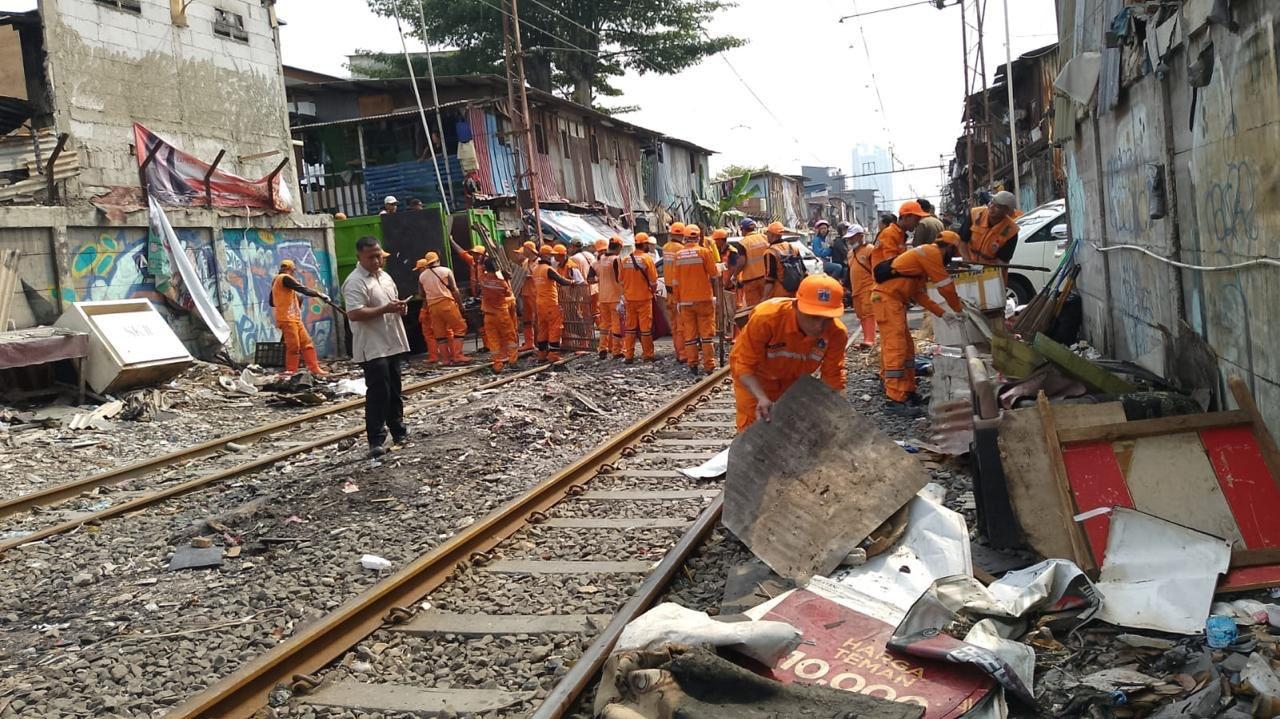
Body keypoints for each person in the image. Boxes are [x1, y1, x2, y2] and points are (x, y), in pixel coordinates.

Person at [729, 275, 848, 432]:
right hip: (757, 377)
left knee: (792, 429)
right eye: (813, 317)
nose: (819, 326)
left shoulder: (836, 334)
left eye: (827, 319)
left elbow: (833, 377)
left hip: (793, 380)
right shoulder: (766, 320)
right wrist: (761, 397)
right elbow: (745, 366)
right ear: (796, 306)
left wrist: (839, 413)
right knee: (753, 429)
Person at [871, 231, 964, 415]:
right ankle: (894, 399)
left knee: (906, 348)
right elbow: (946, 287)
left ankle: (907, 390)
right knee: (896, 348)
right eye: (953, 254)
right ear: (949, 248)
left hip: (892, 301)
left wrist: (943, 313)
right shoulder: (931, 254)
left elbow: (918, 294)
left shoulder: (922, 258)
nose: (951, 259)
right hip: (886, 300)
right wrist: (959, 309)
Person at [342, 237, 410, 457]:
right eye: (371, 256)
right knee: (379, 392)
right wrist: (386, 308)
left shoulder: (385, 277)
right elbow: (354, 313)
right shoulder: (355, 281)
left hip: (392, 341)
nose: (376, 260)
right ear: (359, 257)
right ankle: (376, 439)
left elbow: (391, 303)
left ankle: (399, 430)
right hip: (372, 346)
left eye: (379, 255)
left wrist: (399, 308)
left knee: (395, 390)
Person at [270, 259, 330, 377]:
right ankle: (291, 371)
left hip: (294, 318)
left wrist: (290, 299)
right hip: (287, 318)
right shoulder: (285, 278)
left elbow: (272, 301)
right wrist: (319, 294)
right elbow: (303, 289)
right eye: (293, 270)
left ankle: (315, 368)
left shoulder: (276, 281)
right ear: (291, 269)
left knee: (306, 343)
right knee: (294, 345)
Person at [673, 226, 719, 375]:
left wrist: (678, 300)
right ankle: (709, 365)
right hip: (704, 299)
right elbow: (714, 274)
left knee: (690, 335)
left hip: (685, 301)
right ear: (699, 237)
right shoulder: (704, 252)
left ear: (685, 238)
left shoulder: (678, 255)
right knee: (706, 335)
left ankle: (692, 364)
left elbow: (675, 281)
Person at [419, 252, 472, 366]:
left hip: (432, 306)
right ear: (437, 260)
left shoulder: (422, 276)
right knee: (460, 327)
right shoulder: (446, 271)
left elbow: (421, 294)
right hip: (447, 303)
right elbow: (454, 289)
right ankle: (457, 355)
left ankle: (446, 360)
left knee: (440, 334)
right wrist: (461, 305)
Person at [531, 244, 580, 361]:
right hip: (551, 303)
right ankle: (553, 355)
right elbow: (561, 280)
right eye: (551, 255)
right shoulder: (548, 269)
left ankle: (542, 354)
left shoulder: (535, 269)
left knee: (542, 329)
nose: (552, 258)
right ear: (546, 256)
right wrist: (572, 282)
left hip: (539, 303)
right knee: (554, 328)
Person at [619, 233, 659, 363]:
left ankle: (628, 355)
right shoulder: (647, 259)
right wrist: (653, 292)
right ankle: (647, 354)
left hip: (629, 299)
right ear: (645, 244)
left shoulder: (625, 260)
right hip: (644, 299)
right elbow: (653, 281)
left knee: (630, 328)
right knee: (645, 328)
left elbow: (621, 280)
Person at [477, 257, 519, 373]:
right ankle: (512, 361)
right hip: (502, 314)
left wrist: (481, 262)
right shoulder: (501, 283)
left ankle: (497, 364)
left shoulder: (482, 280)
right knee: (510, 338)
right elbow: (508, 294)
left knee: (493, 340)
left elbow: (479, 269)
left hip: (488, 316)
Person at [959, 190, 1020, 265]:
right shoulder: (975, 214)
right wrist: (968, 263)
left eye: (997, 206)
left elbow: (1002, 261)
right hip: (969, 264)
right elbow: (962, 241)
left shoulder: (1011, 231)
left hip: (991, 270)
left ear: (1006, 211)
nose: (991, 207)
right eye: (991, 202)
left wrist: (987, 273)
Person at [590, 237, 624, 359]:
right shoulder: (616, 259)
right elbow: (619, 279)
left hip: (602, 297)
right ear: (619, 247)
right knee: (617, 325)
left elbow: (589, 279)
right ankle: (617, 350)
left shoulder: (598, 261)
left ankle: (602, 349)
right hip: (615, 297)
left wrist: (600, 280)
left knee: (604, 325)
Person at [845, 224, 876, 349]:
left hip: (868, 287)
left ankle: (870, 340)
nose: (850, 240)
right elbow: (850, 270)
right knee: (861, 314)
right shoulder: (850, 253)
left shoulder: (870, 250)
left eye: (852, 238)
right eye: (849, 238)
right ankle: (866, 338)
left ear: (861, 236)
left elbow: (875, 268)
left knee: (868, 313)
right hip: (856, 289)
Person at [871, 201, 928, 267]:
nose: (918, 223)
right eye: (916, 219)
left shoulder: (900, 234)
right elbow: (892, 263)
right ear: (905, 217)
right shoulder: (890, 234)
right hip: (888, 275)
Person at [734, 218, 770, 308]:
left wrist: (735, 275)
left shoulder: (743, 243)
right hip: (767, 278)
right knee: (768, 305)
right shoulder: (764, 238)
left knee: (754, 308)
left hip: (751, 281)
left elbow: (742, 261)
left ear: (743, 229)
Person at [412, 257, 441, 364]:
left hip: (429, 308)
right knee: (444, 332)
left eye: (420, 269)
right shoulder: (438, 274)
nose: (419, 271)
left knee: (429, 333)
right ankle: (450, 354)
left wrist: (423, 311)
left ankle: (434, 356)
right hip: (440, 306)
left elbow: (425, 297)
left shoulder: (424, 278)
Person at [662, 223, 686, 352]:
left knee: (674, 324)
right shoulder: (681, 249)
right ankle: (682, 353)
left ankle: (678, 351)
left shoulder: (666, 247)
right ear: (682, 235)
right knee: (681, 324)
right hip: (678, 290)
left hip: (669, 290)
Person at [762, 221, 800, 300]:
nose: (767, 236)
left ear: (772, 234)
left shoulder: (770, 252)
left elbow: (770, 278)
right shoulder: (793, 248)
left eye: (767, 233)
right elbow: (803, 270)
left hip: (780, 294)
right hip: (796, 291)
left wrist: (765, 297)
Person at [517, 241, 539, 350]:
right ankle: (529, 342)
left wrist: (528, 276)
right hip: (525, 293)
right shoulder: (525, 262)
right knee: (527, 319)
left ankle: (539, 341)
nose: (523, 251)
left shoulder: (539, 262)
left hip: (535, 293)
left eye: (525, 249)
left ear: (529, 250)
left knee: (538, 319)